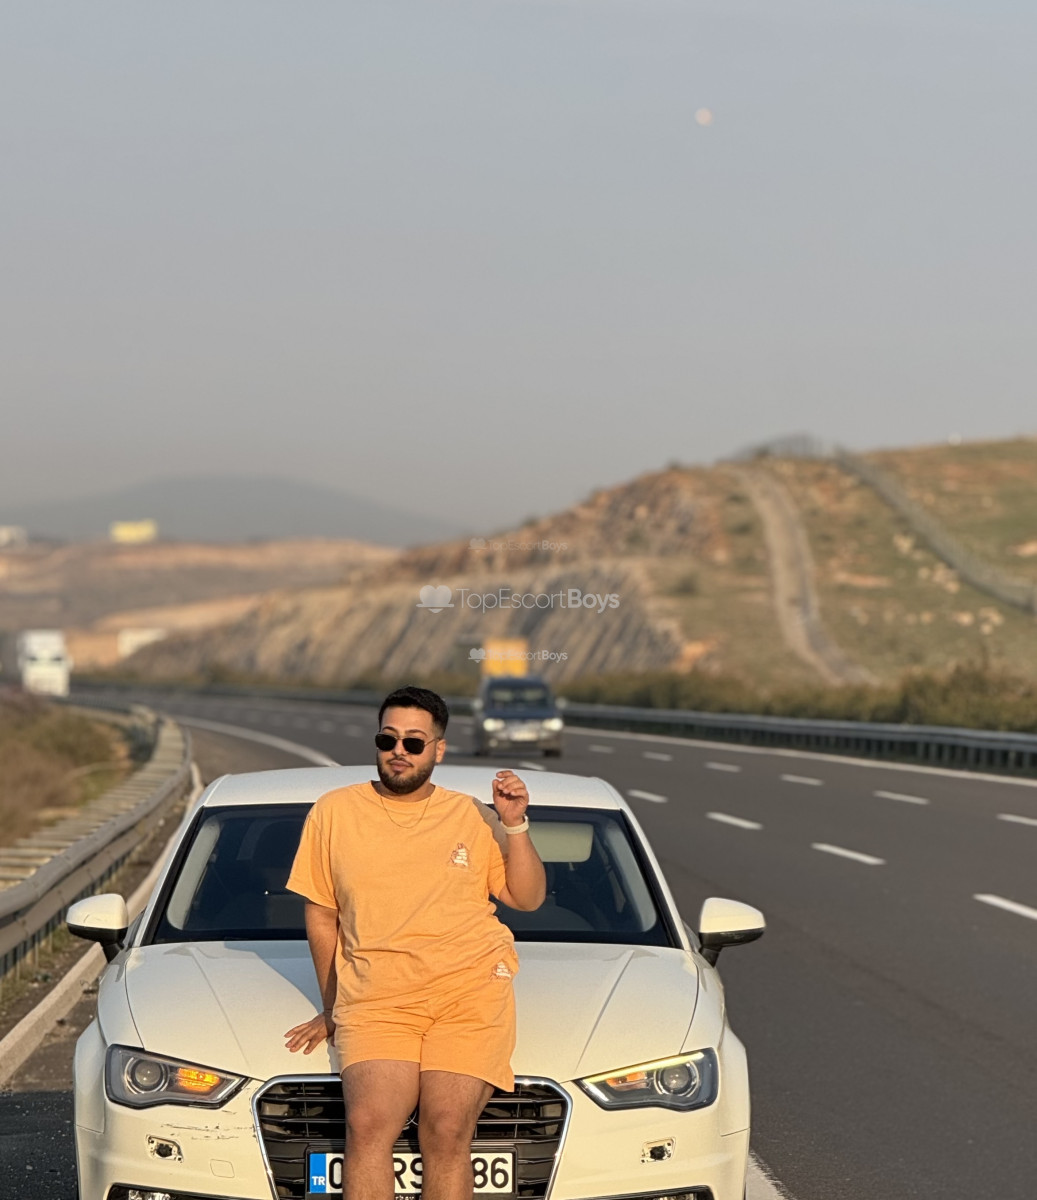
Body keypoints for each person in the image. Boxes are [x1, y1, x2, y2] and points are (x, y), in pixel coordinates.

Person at [283, 685, 546, 1200]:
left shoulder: (471, 814)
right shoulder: (333, 812)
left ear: (438, 750)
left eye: (414, 742)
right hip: (377, 999)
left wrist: (514, 825)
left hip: (468, 995)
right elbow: (322, 916)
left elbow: (527, 896)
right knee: (367, 1123)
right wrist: (332, 1006)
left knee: (446, 1129)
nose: (398, 751)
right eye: (388, 739)